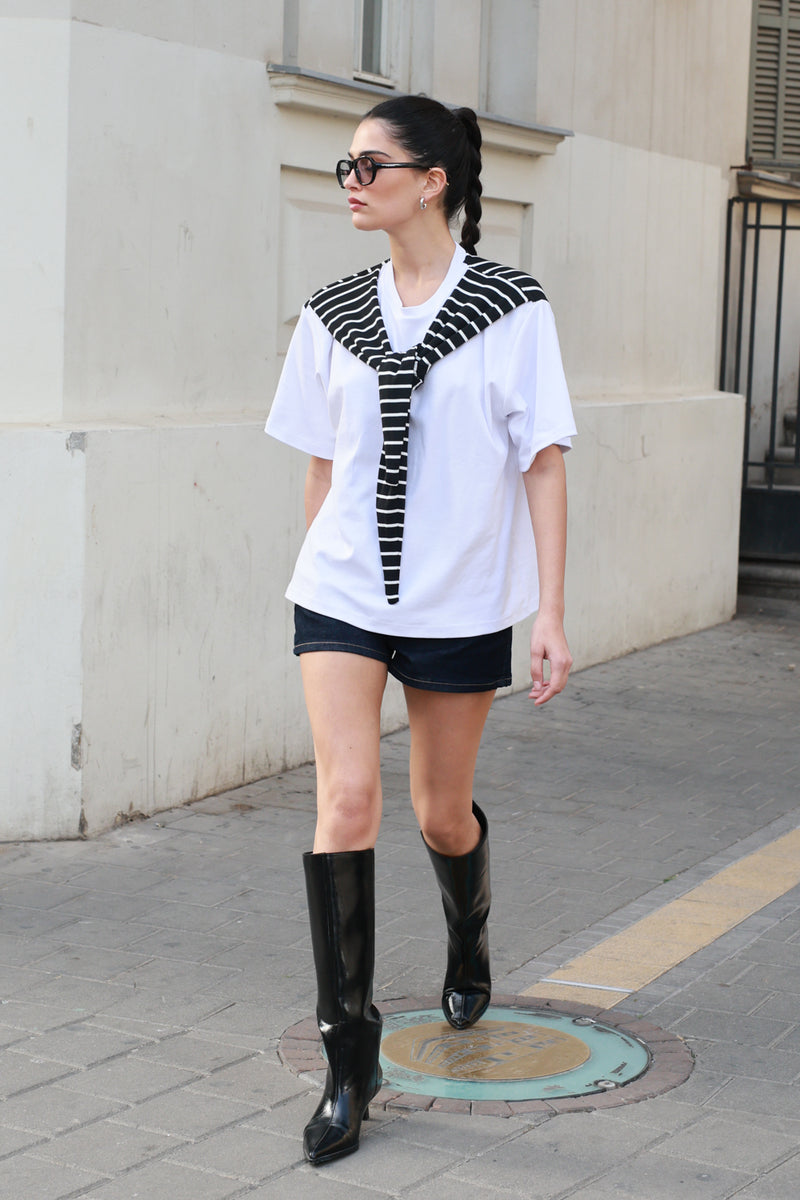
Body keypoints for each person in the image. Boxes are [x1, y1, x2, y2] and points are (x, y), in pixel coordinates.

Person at [266, 94, 576, 1166]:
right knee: (346, 800)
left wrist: (550, 612)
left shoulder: (512, 310)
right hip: (343, 591)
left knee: (440, 814)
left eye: (371, 164)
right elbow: (321, 464)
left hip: (458, 601)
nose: (350, 181)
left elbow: (542, 462)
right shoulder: (329, 316)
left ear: (431, 180)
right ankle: (349, 1060)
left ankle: (466, 929)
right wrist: (318, 573)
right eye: (344, 165)